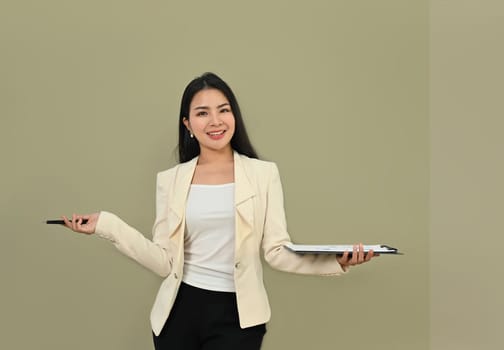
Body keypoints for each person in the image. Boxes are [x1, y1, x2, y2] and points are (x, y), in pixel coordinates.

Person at [60, 72, 377, 350]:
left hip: (238, 317)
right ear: (187, 124)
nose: (215, 121)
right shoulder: (170, 181)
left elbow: (277, 252)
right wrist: (107, 225)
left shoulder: (263, 174)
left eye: (223, 110)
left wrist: (335, 261)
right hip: (177, 314)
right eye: (202, 113)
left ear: (234, 116)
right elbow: (163, 262)